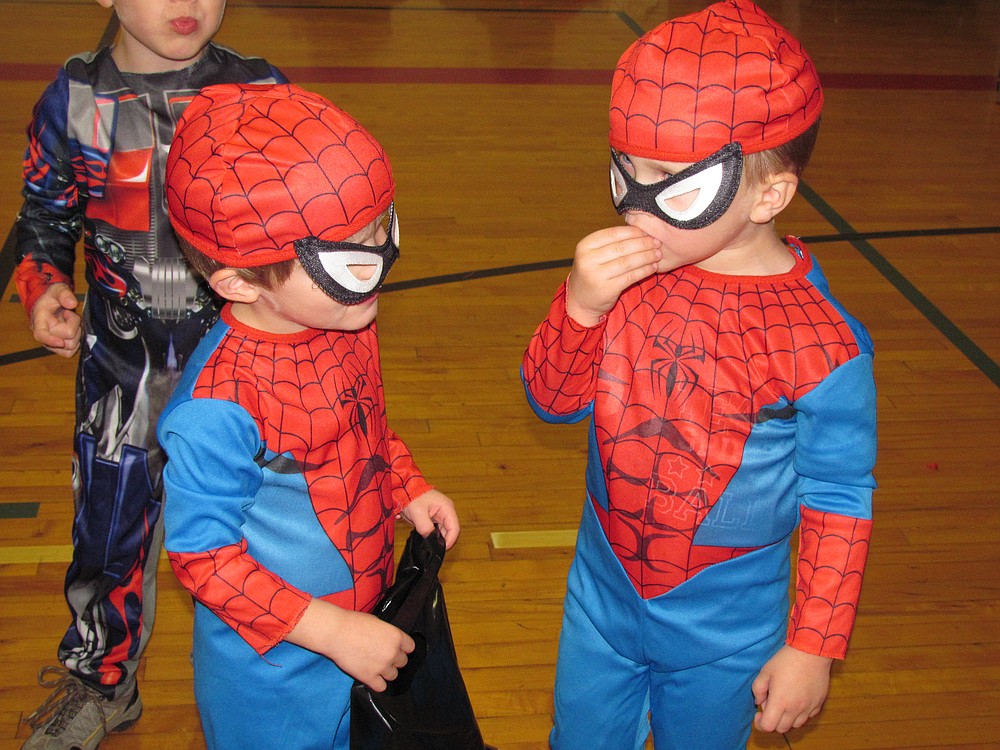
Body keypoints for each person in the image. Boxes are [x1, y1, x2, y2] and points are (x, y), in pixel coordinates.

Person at [521, 1, 877, 747]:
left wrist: (814, 642)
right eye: (627, 172)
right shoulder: (628, 278)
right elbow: (552, 403)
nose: (637, 208)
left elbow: (839, 496)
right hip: (600, 600)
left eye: (671, 185)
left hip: (730, 632)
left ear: (768, 194)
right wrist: (579, 309)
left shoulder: (826, 346)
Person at [13, 2, 286, 748]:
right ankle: (101, 684)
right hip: (119, 370)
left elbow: (303, 215)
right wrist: (43, 290)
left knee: (256, 537)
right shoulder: (74, 101)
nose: (186, 2)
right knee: (106, 535)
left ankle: (265, 683)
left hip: (239, 371)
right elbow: (43, 219)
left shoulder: (262, 94)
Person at [157, 82, 461, 749]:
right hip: (272, 679)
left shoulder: (343, 317)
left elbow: (364, 427)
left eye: (383, 234)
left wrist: (406, 485)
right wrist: (331, 631)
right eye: (353, 258)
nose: (378, 269)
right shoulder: (215, 409)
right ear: (238, 282)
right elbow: (202, 556)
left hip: (367, 632)